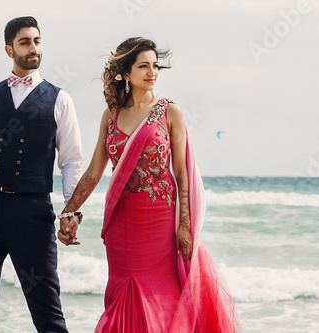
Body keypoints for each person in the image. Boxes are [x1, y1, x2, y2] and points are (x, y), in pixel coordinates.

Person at [58, 37, 242, 332]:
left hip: (160, 222)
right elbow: (94, 171)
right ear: (125, 72)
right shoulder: (112, 116)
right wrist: (69, 212)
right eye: (143, 66)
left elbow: (181, 172)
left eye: (155, 66)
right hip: (121, 224)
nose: (152, 72)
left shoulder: (170, 113)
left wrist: (185, 225)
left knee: (162, 298)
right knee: (123, 296)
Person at [0, 16, 83, 332]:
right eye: (25, 42)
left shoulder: (60, 100)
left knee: (48, 314)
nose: (33, 48)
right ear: (9, 49)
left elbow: (71, 163)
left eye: (37, 41)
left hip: (32, 214)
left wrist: (72, 211)